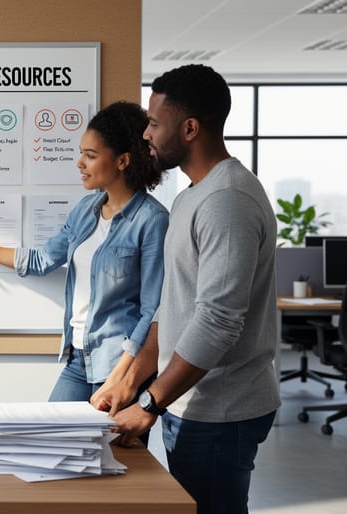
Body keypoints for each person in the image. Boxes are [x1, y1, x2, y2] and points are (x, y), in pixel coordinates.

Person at [91, 64, 280, 514]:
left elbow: (217, 321)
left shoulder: (227, 201)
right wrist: (133, 382)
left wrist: (150, 404)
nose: (146, 136)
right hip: (190, 402)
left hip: (222, 410)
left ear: (190, 128)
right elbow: (171, 308)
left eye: (155, 123)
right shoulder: (192, 195)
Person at [0, 101, 168, 403]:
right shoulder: (86, 210)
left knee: (111, 451)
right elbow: (40, 260)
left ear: (123, 161)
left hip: (119, 364)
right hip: (78, 358)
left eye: (90, 155)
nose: (80, 163)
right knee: (50, 436)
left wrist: (119, 378)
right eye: (81, 153)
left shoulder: (152, 220)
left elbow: (152, 311)